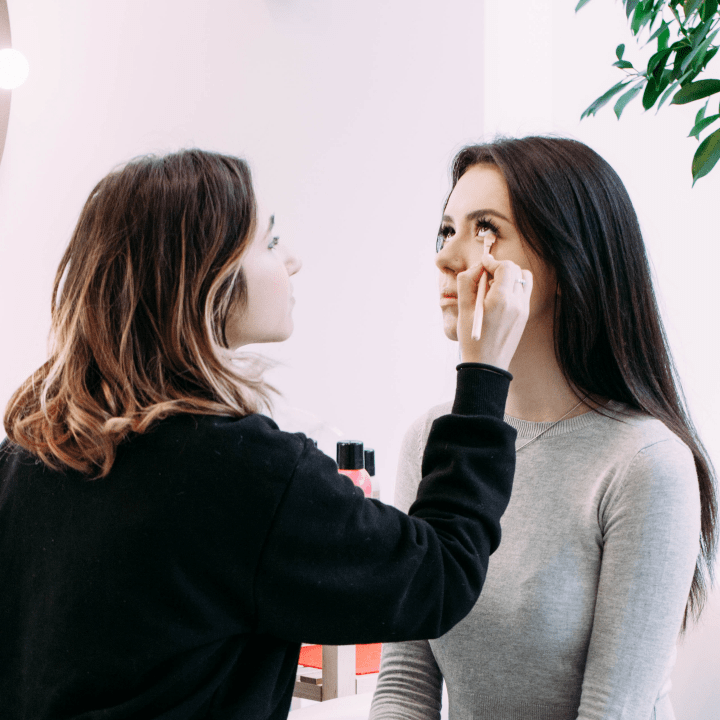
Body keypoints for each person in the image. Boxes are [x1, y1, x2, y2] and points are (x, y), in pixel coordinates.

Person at [0, 149, 533, 720]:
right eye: (271, 243)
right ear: (209, 274)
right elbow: (439, 577)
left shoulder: (26, 455)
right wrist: (483, 375)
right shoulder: (238, 470)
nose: (294, 261)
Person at [369, 136, 717, 720]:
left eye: (485, 231)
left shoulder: (646, 462)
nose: (447, 257)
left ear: (564, 263)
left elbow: (613, 712)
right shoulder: (431, 439)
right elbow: (405, 683)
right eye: (446, 230)